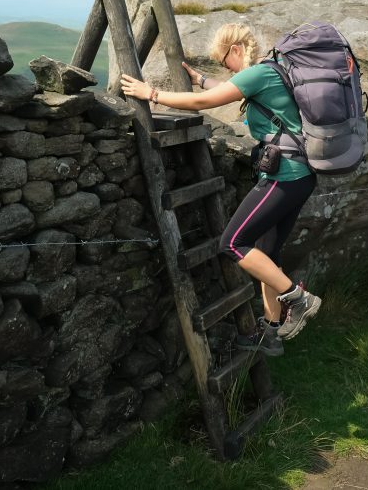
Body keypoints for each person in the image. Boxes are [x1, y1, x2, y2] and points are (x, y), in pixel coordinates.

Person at [120, 22, 321, 357]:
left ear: (237, 50)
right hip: (302, 174)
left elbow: (204, 102)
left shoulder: (257, 74)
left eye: (224, 61)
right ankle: (271, 331)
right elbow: (227, 89)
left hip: (285, 174)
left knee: (233, 243)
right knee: (267, 252)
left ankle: (298, 300)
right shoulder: (270, 71)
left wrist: (150, 94)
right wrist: (201, 78)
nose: (225, 68)